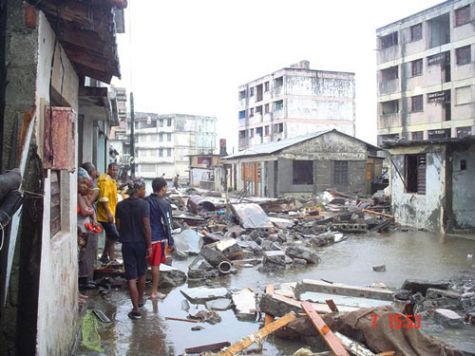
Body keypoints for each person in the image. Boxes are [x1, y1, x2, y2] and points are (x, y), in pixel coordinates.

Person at [115, 179, 152, 320]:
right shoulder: (144, 205)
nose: (145, 192)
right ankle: (141, 299)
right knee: (142, 273)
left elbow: (118, 225)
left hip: (127, 244)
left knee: (131, 277)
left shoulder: (120, 205)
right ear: (138, 189)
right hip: (141, 244)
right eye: (143, 189)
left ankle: (135, 309)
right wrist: (149, 245)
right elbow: (146, 226)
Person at [146, 177, 174, 300]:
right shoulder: (164, 203)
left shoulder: (145, 201)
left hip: (144, 239)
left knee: (143, 265)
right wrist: (170, 241)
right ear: (163, 188)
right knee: (155, 266)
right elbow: (168, 223)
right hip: (157, 238)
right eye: (166, 186)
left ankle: (141, 292)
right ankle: (153, 293)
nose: (166, 188)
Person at [97, 162, 120, 264]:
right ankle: (104, 255)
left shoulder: (112, 181)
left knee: (110, 235)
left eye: (116, 170)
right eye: (113, 170)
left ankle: (109, 258)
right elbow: (104, 198)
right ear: (109, 169)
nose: (115, 172)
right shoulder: (106, 181)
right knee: (114, 235)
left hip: (110, 213)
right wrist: (109, 213)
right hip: (105, 215)